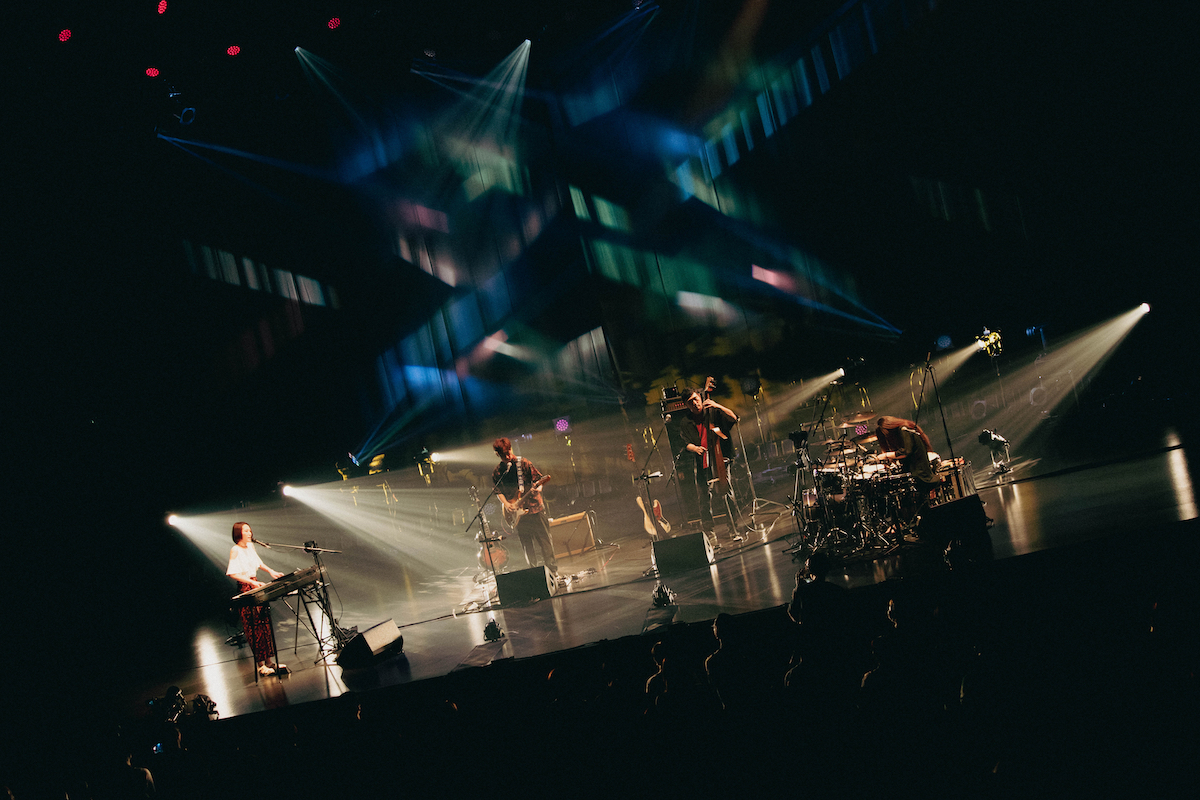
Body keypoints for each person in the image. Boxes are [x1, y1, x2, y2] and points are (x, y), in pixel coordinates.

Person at [677, 384, 739, 537]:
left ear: (700, 398)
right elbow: (684, 443)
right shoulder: (686, 422)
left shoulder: (713, 412)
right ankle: (709, 532)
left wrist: (717, 405)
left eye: (696, 399)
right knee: (704, 497)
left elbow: (733, 418)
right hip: (702, 461)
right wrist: (695, 448)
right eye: (690, 402)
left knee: (727, 493)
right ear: (686, 405)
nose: (695, 403)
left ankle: (733, 528)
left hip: (721, 458)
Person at [226, 521, 287, 677]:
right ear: (239, 533)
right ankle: (261, 665)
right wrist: (252, 581)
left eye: (250, 530)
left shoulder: (251, 547)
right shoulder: (235, 550)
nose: (250, 533)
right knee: (254, 627)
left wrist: (271, 571)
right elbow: (232, 573)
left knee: (264, 623)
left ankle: (269, 661)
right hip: (246, 588)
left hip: (256, 586)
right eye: (246, 531)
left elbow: (259, 563)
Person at [492, 438, 557, 576]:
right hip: (518, 515)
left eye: (509, 452)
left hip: (535, 508)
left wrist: (537, 489)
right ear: (498, 455)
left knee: (544, 542)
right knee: (527, 545)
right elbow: (498, 491)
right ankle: (533, 573)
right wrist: (507, 504)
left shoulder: (525, 463)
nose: (508, 456)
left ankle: (552, 572)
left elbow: (539, 481)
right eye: (504, 456)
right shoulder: (498, 472)